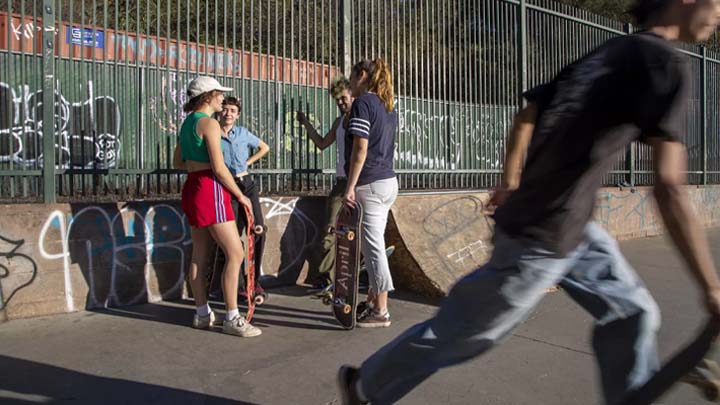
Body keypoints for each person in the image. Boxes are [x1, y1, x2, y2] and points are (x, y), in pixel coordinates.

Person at [337, 0, 720, 403]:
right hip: (543, 233)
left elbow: (527, 115)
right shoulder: (665, 65)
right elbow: (669, 188)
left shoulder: (612, 52)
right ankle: (365, 386)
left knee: (633, 311)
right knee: (467, 331)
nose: (718, 14)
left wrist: (510, 180)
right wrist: (711, 288)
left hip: (572, 227)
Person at [173, 76, 262, 338]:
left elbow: (178, 161)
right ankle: (232, 317)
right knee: (235, 253)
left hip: (192, 187)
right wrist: (241, 196)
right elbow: (220, 169)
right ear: (209, 96)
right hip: (210, 188)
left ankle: (202, 313)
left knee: (199, 254)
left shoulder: (187, 124)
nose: (223, 99)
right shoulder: (209, 124)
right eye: (220, 94)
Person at [342, 59, 398, 328]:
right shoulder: (389, 106)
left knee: (373, 248)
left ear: (362, 75)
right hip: (387, 182)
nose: (350, 84)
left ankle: (382, 312)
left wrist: (350, 186)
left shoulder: (363, 104)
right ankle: (374, 300)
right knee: (372, 245)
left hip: (369, 184)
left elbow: (360, 150)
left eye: (352, 78)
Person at [296, 77, 354, 289]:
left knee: (358, 232)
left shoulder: (361, 119)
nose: (341, 103)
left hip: (359, 182)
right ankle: (327, 278)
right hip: (340, 184)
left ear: (353, 95)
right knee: (330, 230)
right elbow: (321, 144)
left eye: (344, 99)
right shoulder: (339, 123)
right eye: (338, 101)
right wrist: (306, 124)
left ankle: (358, 274)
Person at [215, 96, 270, 299]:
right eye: (225, 109)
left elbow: (264, 148)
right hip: (226, 186)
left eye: (232, 110)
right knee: (232, 239)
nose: (228, 113)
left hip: (246, 184)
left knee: (258, 231)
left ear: (237, 115)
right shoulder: (214, 134)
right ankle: (235, 285)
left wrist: (248, 161)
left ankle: (253, 282)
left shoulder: (243, 133)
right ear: (220, 112)